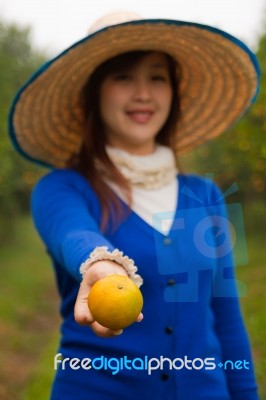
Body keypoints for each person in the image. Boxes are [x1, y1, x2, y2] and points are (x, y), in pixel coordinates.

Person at [9, 11, 260, 400]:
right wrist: (101, 264)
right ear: (95, 92)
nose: (143, 93)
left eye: (157, 77)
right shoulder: (63, 188)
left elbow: (226, 317)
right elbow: (72, 232)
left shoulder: (206, 196)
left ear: (173, 92)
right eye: (123, 76)